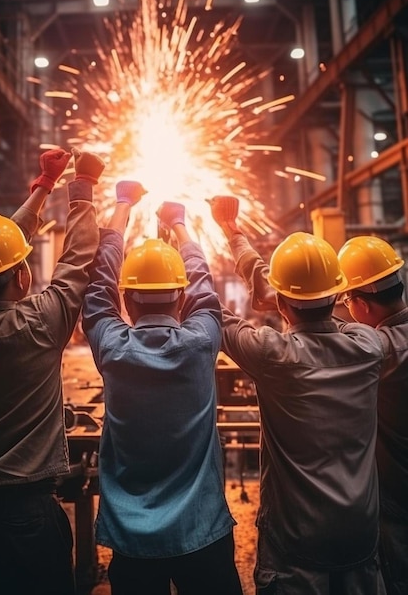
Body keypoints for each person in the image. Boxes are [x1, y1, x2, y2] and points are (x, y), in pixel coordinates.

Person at [0, 146, 105, 595]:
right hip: (27, 518)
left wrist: (44, 188)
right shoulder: (38, 324)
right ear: (24, 276)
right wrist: (82, 188)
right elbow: (79, 261)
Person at [208, 195, 387, 594]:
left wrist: (217, 233)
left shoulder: (272, 353)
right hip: (360, 533)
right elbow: (318, 307)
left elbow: (212, 311)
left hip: (297, 543)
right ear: (339, 295)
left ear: (283, 304)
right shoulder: (367, 345)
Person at [81, 182, 243, 595]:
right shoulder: (202, 341)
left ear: (127, 300)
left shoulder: (113, 347)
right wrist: (180, 225)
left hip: (134, 541)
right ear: (182, 296)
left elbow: (98, 285)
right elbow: (204, 285)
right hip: (202, 531)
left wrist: (122, 207)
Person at [338, 235, 408, 595]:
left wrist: (234, 235)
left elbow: (317, 332)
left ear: (361, 305)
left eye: (347, 298)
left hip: (394, 502)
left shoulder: (377, 353)